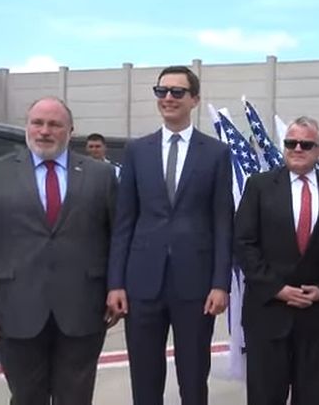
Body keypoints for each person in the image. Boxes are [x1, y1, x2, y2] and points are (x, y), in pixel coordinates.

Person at [106, 66, 234, 405]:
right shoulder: (137, 150)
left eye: (177, 92)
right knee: (145, 379)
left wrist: (221, 283)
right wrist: (115, 282)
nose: (168, 98)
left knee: (193, 379)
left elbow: (223, 222)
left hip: (196, 284)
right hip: (142, 282)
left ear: (194, 99)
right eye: (162, 91)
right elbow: (124, 221)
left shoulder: (217, 153)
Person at [0, 96, 118, 404]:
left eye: (54, 124)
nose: (44, 131)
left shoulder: (100, 176)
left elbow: (117, 237)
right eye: (37, 123)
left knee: (75, 397)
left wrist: (116, 286)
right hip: (15, 309)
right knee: (26, 397)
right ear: (27, 127)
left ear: (70, 130)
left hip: (83, 310)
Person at [234, 116, 319, 405]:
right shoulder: (259, 185)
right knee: (265, 395)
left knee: (311, 395)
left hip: (313, 314)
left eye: (305, 144)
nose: (297, 148)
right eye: (290, 143)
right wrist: (277, 288)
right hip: (267, 311)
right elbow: (244, 242)